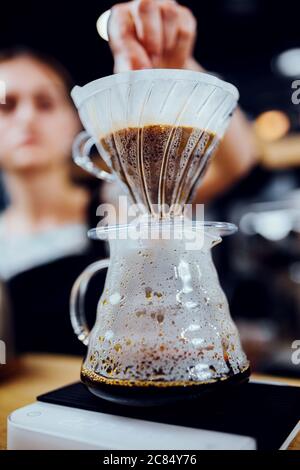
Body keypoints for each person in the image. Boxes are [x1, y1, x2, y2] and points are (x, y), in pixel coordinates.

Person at [0, 48, 106, 355]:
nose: (27, 118)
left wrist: (177, 64)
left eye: (45, 104)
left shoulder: (117, 208)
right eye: (6, 106)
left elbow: (230, 163)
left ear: (75, 119)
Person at [107, 0, 258, 202]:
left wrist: (179, 70)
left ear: (73, 116)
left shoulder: (116, 200)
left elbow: (237, 161)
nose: (46, 124)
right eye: (46, 104)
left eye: (48, 105)